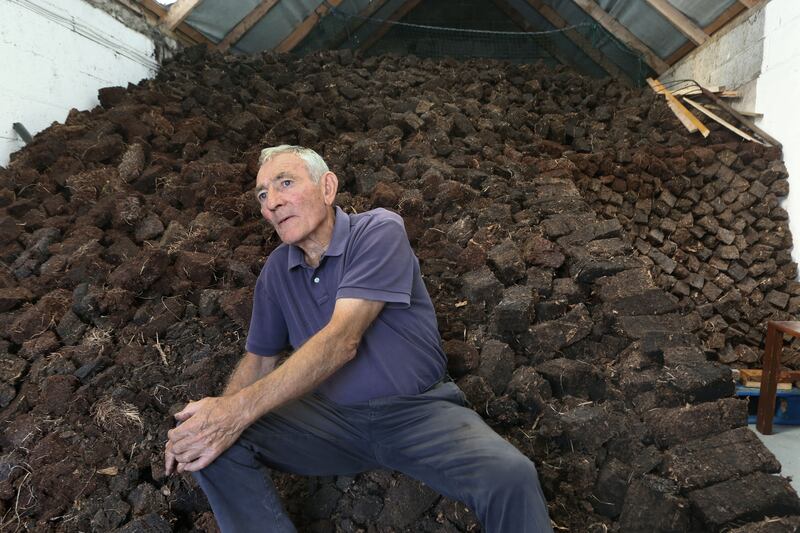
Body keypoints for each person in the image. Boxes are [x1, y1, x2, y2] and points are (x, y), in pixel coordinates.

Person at [164, 145, 553, 532]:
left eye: (285, 183)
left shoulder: (378, 231)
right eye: (263, 194)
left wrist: (237, 412)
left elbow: (341, 341)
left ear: (327, 187)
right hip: (332, 421)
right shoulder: (276, 273)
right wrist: (214, 422)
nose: (272, 203)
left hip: (418, 413)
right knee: (208, 447)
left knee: (511, 476)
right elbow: (258, 360)